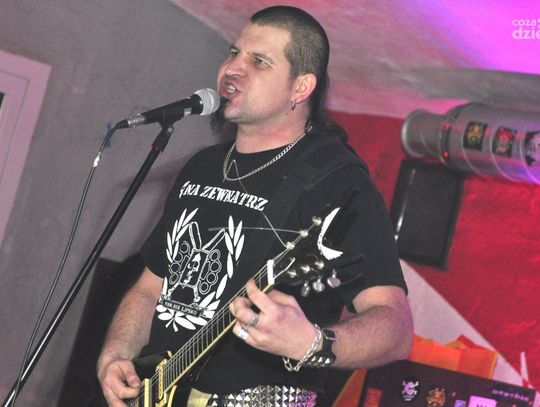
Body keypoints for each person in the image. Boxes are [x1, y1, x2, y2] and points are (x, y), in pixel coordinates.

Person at [97, 5, 413, 407]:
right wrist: (115, 355)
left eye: (259, 61)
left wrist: (312, 341)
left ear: (301, 87)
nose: (233, 68)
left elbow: (396, 328)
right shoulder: (203, 166)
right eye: (234, 53)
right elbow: (149, 288)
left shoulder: (337, 182)